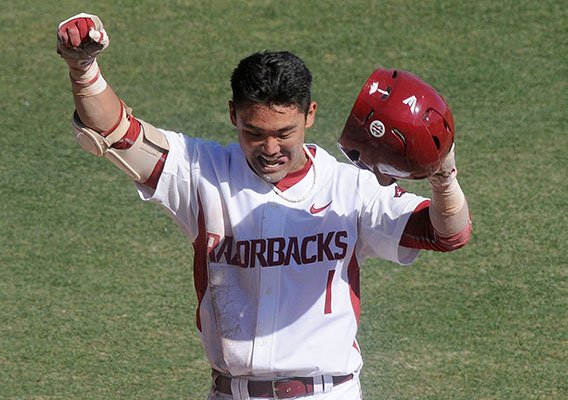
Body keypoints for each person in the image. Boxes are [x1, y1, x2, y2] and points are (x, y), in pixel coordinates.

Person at [57, 13, 471, 400]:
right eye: (254, 133)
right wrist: (83, 68)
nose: (270, 149)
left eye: (284, 133)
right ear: (232, 114)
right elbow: (113, 132)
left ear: (309, 115)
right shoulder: (203, 173)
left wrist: (443, 176)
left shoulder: (350, 187)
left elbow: (445, 234)